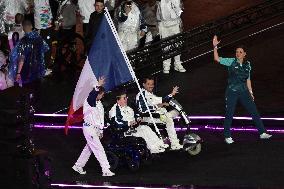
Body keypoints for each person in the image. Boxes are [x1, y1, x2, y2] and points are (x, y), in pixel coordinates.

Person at [212, 35, 272, 144]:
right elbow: (216, 59)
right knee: (229, 113)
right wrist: (215, 47)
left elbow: (248, 79)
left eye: (240, 52)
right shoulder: (231, 62)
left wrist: (251, 92)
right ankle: (227, 136)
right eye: (236, 52)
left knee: (254, 111)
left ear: (244, 54)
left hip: (244, 92)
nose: (238, 53)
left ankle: (262, 133)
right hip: (232, 92)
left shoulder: (248, 64)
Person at [72, 77, 115, 176]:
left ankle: (78, 165)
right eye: (102, 94)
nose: (102, 96)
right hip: (89, 128)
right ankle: (106, 169)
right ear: (98, 93)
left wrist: (101, 131)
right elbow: (92, 96)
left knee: (89, 148)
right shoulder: (89, 101)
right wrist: (98, 86)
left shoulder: (99, 104)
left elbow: (100, 119)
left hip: (95, 129)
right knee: (99, 149)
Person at [109, 90, 168, 154]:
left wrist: (138, 118)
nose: (126, 99)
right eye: (124, 98)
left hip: (134, 127)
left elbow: (135, 114)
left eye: (126, 97)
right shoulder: (114, 110)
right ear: (118, 100)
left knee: (146, 128)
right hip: (125, 132)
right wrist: (129, 123)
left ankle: (159, 144)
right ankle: (153, 149)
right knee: (142, 133)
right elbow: (117, 123)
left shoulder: (127, 107)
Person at [8, 19, 49, 105]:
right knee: (37, 87)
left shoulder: (23, 41)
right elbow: (45, 49)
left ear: (23, 28)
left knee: (26, 88)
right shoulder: (39, 38)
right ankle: (37, 104)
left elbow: (21, 58)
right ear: (31, 26)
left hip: (26, 70)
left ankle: (27, 105)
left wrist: (18, 73)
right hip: (38, 67)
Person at [136, 76, 183, 150]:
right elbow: (144, 110)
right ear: (143, 84)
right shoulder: (142, 95)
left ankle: (167, 117)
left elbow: (159, 102)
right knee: (169, 119)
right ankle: (175, 144)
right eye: (148, 84)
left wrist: (164, 103)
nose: (151, 86)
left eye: (152, 84)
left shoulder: (150, 94)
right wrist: (170, 95)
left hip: (156, 114)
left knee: (176, 112)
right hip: (149, 117)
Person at [156, 0, 185, 74]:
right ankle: (166, 65)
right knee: (166, 46)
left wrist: (177, 8)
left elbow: (180, 12)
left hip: (175, 24)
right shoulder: (159, 2)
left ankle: (177, 63)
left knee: (177, 44)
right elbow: (157, 15)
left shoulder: (177, 1)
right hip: (164, 26)